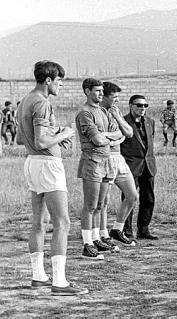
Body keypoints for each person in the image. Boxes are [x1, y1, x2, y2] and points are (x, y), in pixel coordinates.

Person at [17, 60, 87, 295]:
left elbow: (22, 139)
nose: (60, 85)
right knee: (62, 223)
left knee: (39, 222)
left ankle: (39, 277)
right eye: (58, 81)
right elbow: (41, 142)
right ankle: (60, 282)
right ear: (48, 80)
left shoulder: (25, 101)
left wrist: (54, 133)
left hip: (32, 164)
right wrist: (65, 132)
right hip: (47, 164)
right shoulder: (42, 103)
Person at [75, 78, 123, 260]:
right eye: (97, 91)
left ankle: (96, 239)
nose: (101, 94)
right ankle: (87, 244)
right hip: (92, 161)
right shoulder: (85, 113)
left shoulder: (103, 111)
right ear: (87, 91)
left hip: (106, 161)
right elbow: (97, 140)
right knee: (90, 205)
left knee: (101, 205)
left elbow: (120, 134)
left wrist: (106, 136)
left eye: (102, 91)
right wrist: (108, 137)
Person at [95, 82, 141, 249]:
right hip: (104, 158)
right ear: (104, 97)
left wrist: (118, 119)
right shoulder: (96, 112)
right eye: (114, 97)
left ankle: (118, 229)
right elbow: (98, 139)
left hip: (118, 158)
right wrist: (114, 136)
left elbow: (128, 133)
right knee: (102, 202)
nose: (116, 100)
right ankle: (102, 234)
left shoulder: (116, 111)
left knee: (132, 195)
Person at [120, 94, 158, 240]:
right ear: (131, 106)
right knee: (129, 198)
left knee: (148, 198)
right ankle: (126, 230)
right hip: (131, 166)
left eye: (145, 106)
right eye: (139, 105)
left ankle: (143, 229)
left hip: (148, 165)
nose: (143, 108)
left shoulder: (150, 122)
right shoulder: (123, 122)